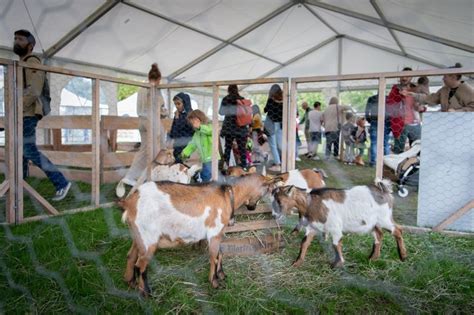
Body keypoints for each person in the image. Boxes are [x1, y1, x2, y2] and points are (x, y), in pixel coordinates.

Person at [14, 29, 71, 201]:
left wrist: (17, 107)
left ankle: (61, 183)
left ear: (30, 45)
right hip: (20, 113)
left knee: (28, 150)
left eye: (21, 39)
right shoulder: (20, 63)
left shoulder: (32, 61)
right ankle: (19, 186)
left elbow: (34, 90)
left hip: (27, 112)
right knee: (20, 151)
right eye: (15, 38)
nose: (17, 41)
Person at [116, 63, 166, 194]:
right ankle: (150, 179)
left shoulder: (141, 88)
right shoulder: (154, 88)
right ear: (159, 79)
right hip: (151, 121)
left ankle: (130, 177)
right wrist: (163, 111)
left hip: (141, 121)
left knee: (143, 150)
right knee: (154, 151)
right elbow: (160, 108)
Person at [402, 63, 474, 112]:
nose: (443, 79)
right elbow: (430, 98)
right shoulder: (444, 90)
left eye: (445, 76)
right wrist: (414, 95)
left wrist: (457, 112)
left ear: (453, 77)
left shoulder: (467, 90)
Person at [386, 67, 422, 154]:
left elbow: (422, 104)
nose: (404, 78)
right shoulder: (395, 88)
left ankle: (414, 167)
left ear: (412, 77)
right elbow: (390, 104)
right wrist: (400, 96)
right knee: (399, 151)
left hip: (415, 123)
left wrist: (421, 107)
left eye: (407, 76)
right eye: (402, 76)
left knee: (418, 150)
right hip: (400, 124)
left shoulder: (416, 88)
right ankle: (399, 167)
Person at [181, 110, 219, 183]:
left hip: (213, 157)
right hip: (205, 159)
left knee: (208, 175)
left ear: (199, 120)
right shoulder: (197, 134)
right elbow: (192, 145)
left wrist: (200, 127)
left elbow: (210, 131)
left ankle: (201, 181)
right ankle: (201, 180)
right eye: (192, 123)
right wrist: (184, 153)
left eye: (194, 122)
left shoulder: (210, 126)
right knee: (207, 174)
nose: (193, 125)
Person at [219, 84, 249, 169]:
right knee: (242, 148)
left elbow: (221, 112)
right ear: (237, 90)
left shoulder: (226, 99)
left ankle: (226, 166)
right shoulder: (242, 99)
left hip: (229, 127)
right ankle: (244, 167)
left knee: (228, 147)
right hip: (241, 127)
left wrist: (229, 110)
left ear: (228, 90)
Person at [365, 94, 391, 167]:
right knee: (385, 143)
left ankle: (373, 162)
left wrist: (369, 119)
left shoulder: (372, 98)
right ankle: (388, 163)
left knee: (374, 142)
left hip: (375, 120)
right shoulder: (388, 98)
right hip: (386, 121)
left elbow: (367, 111)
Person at [169, 92, 194, 163]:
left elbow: (183, 129)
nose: (177, 106)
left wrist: (177, 118)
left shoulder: (191, 115)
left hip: (186, 145)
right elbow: (173, 131)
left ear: (185, 103)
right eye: (175, 104)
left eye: (178, 104)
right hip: (177, 144)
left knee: (180, 162)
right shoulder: (178, 114)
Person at [264, 84, 283, 172]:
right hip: (279, 124)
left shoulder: (271, 100)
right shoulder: (284, 100)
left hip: (271, 123)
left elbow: (265, 110)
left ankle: (278, 164)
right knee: (280, 144)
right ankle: (283, 162)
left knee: (273, 145)